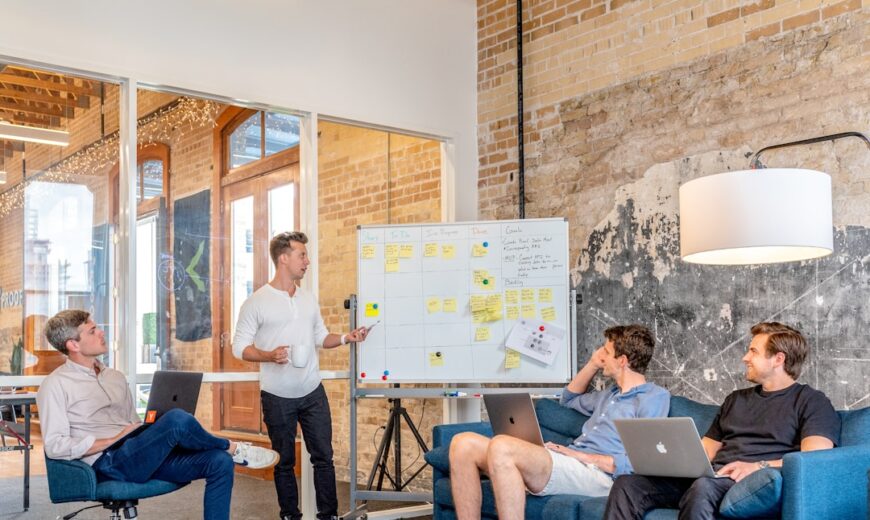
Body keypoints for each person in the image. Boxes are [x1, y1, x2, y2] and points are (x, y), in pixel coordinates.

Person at [37, 309, 279, 520]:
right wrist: (111, 440)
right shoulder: (55, 385)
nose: (101, 332)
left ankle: (227, 452)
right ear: (73, 344)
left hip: (135, 453)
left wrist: (145, 430)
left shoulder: (115, 377)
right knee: (176, 419)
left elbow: (131, 423)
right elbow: (55, 446)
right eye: (92, 330)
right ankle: (233, 447)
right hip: (108, 462)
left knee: (218, 461)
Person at [604, 322, 841, 520]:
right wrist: (670, 462)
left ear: (778, 359)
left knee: (703, 488)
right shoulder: (735, 400)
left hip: (754, 483)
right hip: (712, 478)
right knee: (627, 484)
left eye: (753, 351)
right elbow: (706, 450)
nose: (745, 357)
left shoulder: (811, 401)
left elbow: (813, 459)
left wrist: (757, 467)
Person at [449, 324, 670, 520]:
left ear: (622, 361)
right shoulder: (608, 395)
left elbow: (644, 460)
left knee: (502, 445)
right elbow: (568, 398)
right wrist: (593, 364)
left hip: (598, 475)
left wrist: (583, 456)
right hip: (571, 463)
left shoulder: (652, 397)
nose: (600, 354)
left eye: (606, 351)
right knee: (463, 443)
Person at [233, 231, 368, 520]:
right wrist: (268, 355)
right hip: (277, 395)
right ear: (284, 258)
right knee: (284, 462)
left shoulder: (308, 299)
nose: (307, 261)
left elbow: (320, 336)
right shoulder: (256, 302)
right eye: (302, 255)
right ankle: (290, 516)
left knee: (324, 458)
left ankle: (328, 515)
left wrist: (346, 337)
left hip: (312, 391)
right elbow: (239, 347)